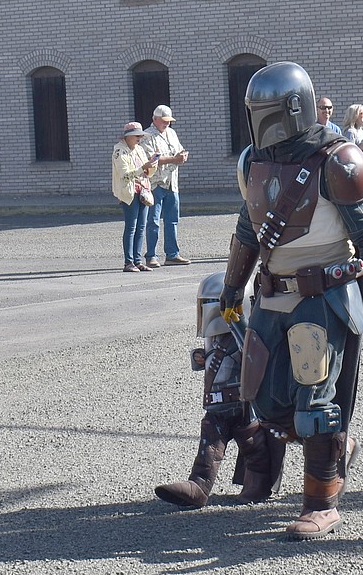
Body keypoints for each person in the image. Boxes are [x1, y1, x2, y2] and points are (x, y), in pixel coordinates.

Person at [219, 61, 363, 539]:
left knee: (316, 403)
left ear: (291, 108)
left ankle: (321, 500)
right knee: (264, 397)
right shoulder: (251, 159)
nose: (260, 123)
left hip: (324, 293)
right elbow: (249, 226)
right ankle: (335, 450)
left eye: (267, 112)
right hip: (272, 290)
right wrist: (231, 286)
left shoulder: (341, 160)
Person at [155, 272, 285, 508]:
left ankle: (257, 484)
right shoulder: (214, 339)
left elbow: (255, 358)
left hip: (243, 402)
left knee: (252, 444)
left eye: (210, 304)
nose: (207, 310)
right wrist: (201, 357)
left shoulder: (247, 335)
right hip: (217, 403)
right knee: (210, 441)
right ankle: (199, 485)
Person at [141, 104, 190, 267]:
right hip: (156, 183)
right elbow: (151, 159)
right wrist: (174, 159)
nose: (167, 124)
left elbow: (179, 150)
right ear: (155, 119)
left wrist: (182, 156)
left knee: (172, 220)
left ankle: (172, 254)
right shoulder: (147, 136)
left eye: (169, 121)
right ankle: (151, 256)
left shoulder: (172, 133)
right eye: (164, 121)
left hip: (172, 182)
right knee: (153, 221)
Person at [112, 121, 157, 273]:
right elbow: (125, 175)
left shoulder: (139, 149)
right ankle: (128, 262)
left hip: (143, 190)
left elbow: (146, 171)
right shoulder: (119, 151)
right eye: (136, 136)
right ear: (127, 137)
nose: (139, 139)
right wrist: (143, 168)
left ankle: (138, 261)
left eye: (140, 136)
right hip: (129, 192)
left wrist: (152, 164)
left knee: (141, 227)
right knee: (131, 227)